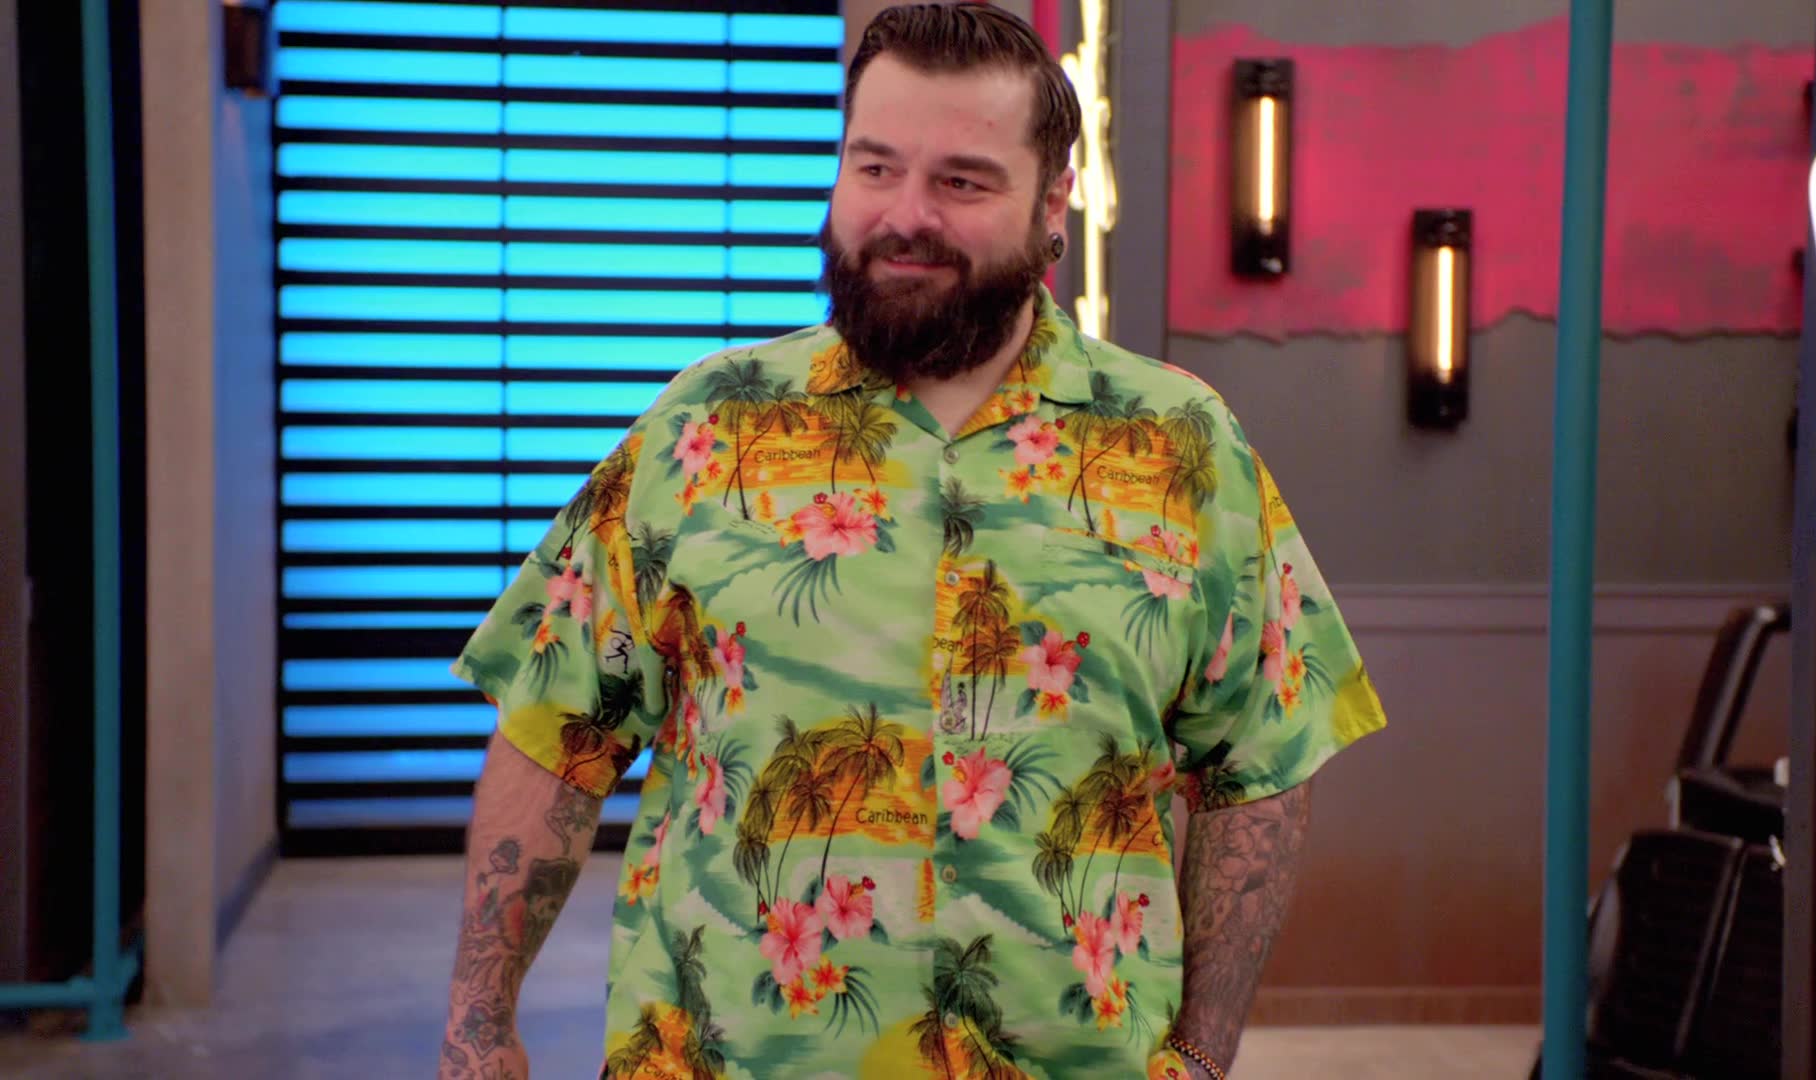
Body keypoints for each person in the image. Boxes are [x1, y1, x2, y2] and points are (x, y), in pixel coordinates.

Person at [437, 5, 1386, 1078]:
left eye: (963, 182)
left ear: (1054, 202)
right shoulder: (707, 428)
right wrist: (478, 1027)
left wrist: (1205, 1059)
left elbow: (1257, 765)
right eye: (875, 166)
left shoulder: (1180, 447)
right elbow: (556, 730)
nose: (905, 215)